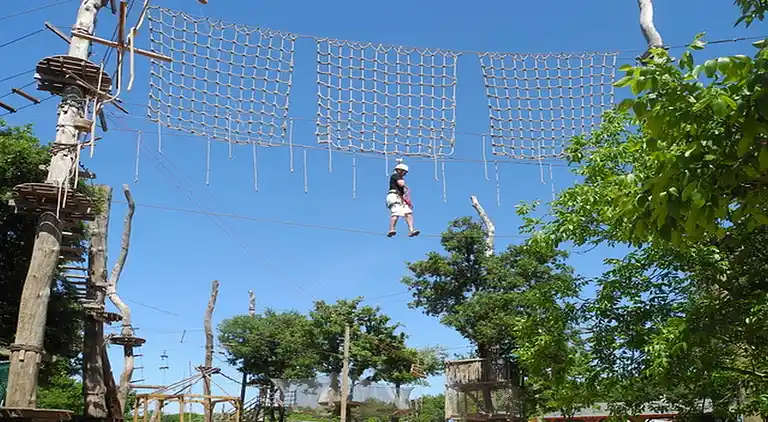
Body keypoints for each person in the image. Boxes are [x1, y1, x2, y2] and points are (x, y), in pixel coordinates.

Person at [386, 162, 419, 238]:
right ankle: (392, 229)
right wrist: (404, 184)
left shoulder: (398, 176)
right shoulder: (395, 175)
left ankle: (411, 230)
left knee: (408, 213)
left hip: (400, 197)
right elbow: (401, 184)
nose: (405, 174)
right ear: (400, 170)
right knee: (396, 212)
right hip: (394, 196)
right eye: (404, 172)